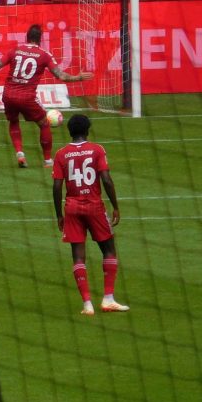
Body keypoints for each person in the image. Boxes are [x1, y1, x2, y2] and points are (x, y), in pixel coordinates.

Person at [0, 23, 92, 168]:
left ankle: (20, 153)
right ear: (40, 39)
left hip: (8, 94)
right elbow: (61, 76)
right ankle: (48, 161)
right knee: (44, 124)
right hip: (27, 96)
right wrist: (78, 78)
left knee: (13, 121)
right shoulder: (44, 55)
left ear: (27, 37)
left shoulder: (15, 50)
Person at [51, 114, 128, 316]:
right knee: (109, 250)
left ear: (69, 131)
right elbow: (106, 179)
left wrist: (59, 214)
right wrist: (115, 206)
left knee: (78, 256)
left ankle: (87, 304)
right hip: (94, 206)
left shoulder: (61, 154)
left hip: (72, 208)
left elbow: (57, 186)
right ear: (87, 130)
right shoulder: (97, 150)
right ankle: (108, 299)